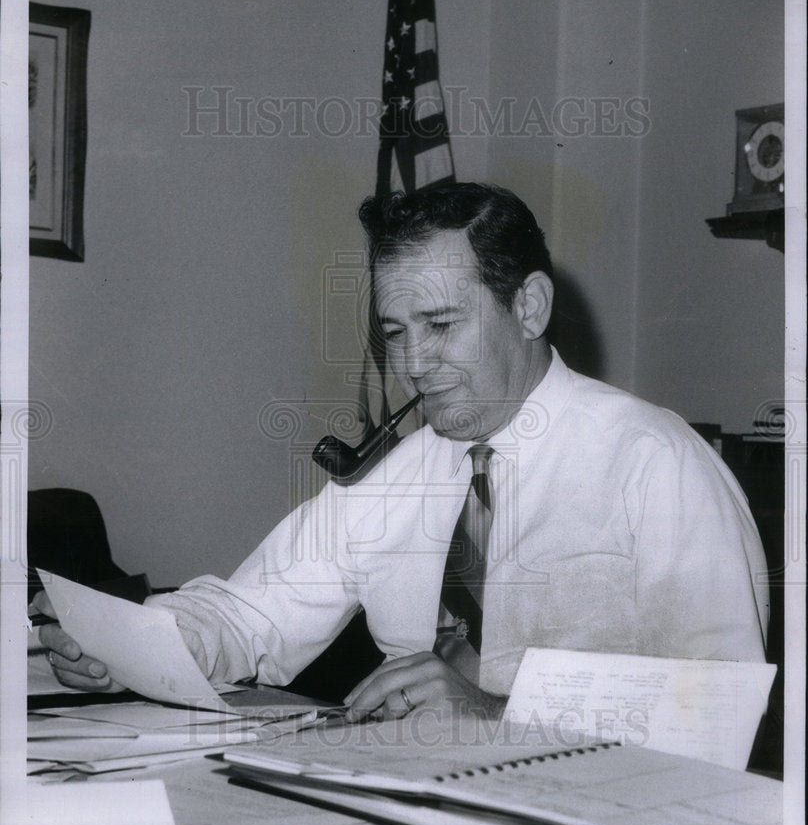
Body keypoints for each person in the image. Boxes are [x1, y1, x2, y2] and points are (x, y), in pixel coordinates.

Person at [35, 183, 769, 722]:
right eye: (394, 331)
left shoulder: (655, 462)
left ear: (530, 307)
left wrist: (493, 713)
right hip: (416, 805)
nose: (412, 364)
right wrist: (125, 644)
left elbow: (722, 708)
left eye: (441, 325)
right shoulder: (398, 472)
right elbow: (250, 616)